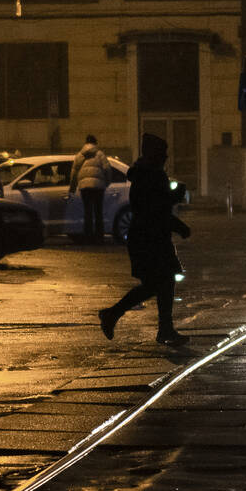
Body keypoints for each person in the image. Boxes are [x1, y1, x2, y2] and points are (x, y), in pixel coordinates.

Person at [98, 133, 191, 347]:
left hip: (148, 238)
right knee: (158, 283)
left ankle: (161, 328)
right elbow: (156, 208)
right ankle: (115, 314)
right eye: (163, 153)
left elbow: (154, 206)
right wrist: (177, 208)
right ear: (154, 154)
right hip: (150, 239)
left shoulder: (144, 174)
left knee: (161, 283)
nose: (166, 157)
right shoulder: (152, 175)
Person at [69, 134, 111, 243]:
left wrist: (72, 188)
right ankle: (99, 237)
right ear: (95, 143)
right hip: (98, 187)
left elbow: (73, 172)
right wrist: (107, 182)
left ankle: (88, 237)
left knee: (87, 212)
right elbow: (107, 169)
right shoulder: (100, 154)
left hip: (84, 187)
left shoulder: (79, 155)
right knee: (98, 212)